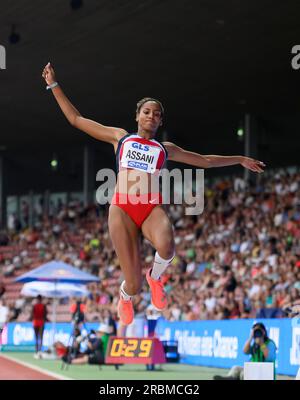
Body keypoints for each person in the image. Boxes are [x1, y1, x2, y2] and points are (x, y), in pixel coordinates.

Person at [42, 62, 265, 326]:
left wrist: (239, 158)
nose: (151, 116)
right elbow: (76, 120)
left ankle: (156, 277)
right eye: (146, 112)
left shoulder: (164, 148)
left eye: (156, 114)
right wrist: (54, 85)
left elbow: (204, 160)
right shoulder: (120, 138)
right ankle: (125, 295)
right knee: (134, 286)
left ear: (160, 121)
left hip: (149, 207)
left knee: (167, 246)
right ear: (137, 116)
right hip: (122, 208)